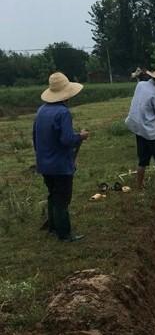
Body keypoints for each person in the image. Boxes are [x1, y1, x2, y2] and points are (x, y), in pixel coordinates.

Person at [33, 72, 90, 242]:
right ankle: (64, 233)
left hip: (44, 163)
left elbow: (35, 136)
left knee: (53, 194)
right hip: (60, 165)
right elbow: (66, 139)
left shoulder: (41, 110)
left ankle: (52, 226)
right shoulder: (63, 112)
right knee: (63, 199)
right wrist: (80, 136)